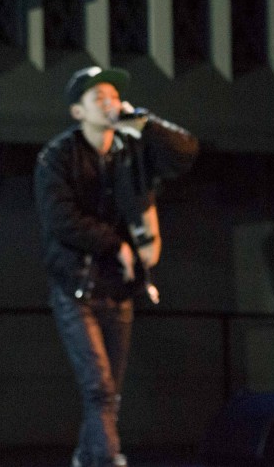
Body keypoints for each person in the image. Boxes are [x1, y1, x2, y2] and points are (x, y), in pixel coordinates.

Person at [34, 66, 197, 467]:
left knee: (109, 394)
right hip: (76, 288)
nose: (109, 103)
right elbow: (62, 221)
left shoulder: (131, 149)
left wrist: (144, 121)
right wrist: (117, 245)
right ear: (77, 112)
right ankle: (107, 460)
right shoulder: (57, 157)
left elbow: (186, 153)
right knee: (99, 389)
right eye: (98, 98)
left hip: (118, 289)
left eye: (112, 96)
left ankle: (86, 458)